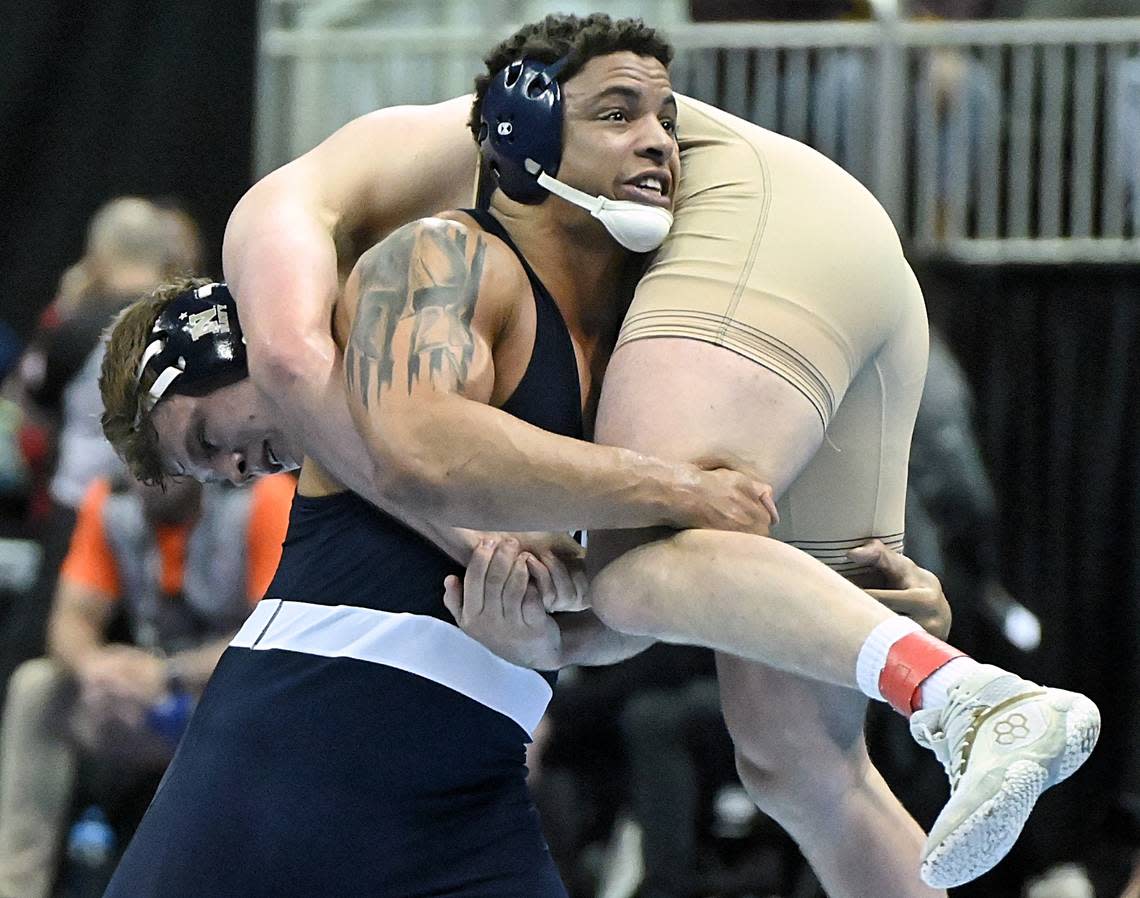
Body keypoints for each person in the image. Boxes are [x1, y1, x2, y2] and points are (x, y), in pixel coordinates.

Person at [111, 14, 1096, 893]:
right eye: (218, 475)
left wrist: (531, 534)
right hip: (832, 264)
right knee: (799, 764)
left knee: (638, 561)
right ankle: (943, 683)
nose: (241, 471)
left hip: (756, 213)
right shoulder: (554, 319)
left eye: (210, 440)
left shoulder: (369, 253)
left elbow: (311, 379)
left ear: (213, 331)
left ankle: (967, 694)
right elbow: (640, 600)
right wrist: (561, 620)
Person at [0, 470, 292, 898]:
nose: (149, 480)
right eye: (138, 466)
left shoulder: (261, 498)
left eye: (162, 466)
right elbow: (72, 618)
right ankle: (17, 886)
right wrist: (97, 668)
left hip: (229, 700)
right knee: (38, 687)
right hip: (147, 700)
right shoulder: (110, 500)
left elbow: (277, 636)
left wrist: (169, 673)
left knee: (274, 706)